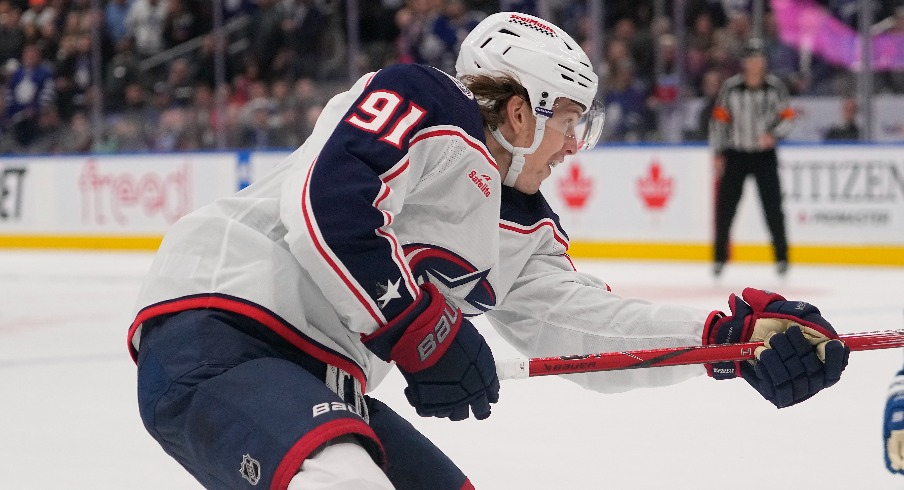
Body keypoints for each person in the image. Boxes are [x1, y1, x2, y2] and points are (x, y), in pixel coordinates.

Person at [129, 13, 849, 490]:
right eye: (569, 119)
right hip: (221, 331)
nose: (574, 144)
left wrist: (728, 342)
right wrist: (424, 330)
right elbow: (330, 206)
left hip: (321, 378)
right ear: (520, 110)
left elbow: (585, 328)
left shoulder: (520, 229)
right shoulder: (424, 100)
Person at [709, 38, 794, 277]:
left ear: (764, 62)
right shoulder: (731, 88)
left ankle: (782, 258)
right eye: (750, 59)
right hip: (736, 155)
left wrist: (774, 134)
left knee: (773, 208)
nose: (754, 63)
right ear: (744, 63)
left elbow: (788, 116)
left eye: (758, 58)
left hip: (764, 156)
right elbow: (719, 121)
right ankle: (719, 259)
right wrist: (718, 152)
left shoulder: (775, 88)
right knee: (725, 209)